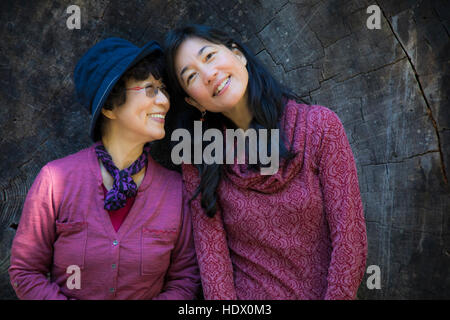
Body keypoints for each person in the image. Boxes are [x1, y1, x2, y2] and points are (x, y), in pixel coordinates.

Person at [163, 24, 368, 300]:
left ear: (238, 54)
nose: (209, 75)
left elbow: (350, 240)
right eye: (192, 77)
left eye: (209, 56)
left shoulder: (320, 127)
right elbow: (215, 270)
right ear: (193, 101)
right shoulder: (198, 159)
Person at [9, 37, 200, 300]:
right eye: (150, 89)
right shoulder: (54, 181)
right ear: (110, 106)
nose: (165, 101)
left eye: (164, 89)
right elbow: (26, 272)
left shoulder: (176, 191)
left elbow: (185, 279)